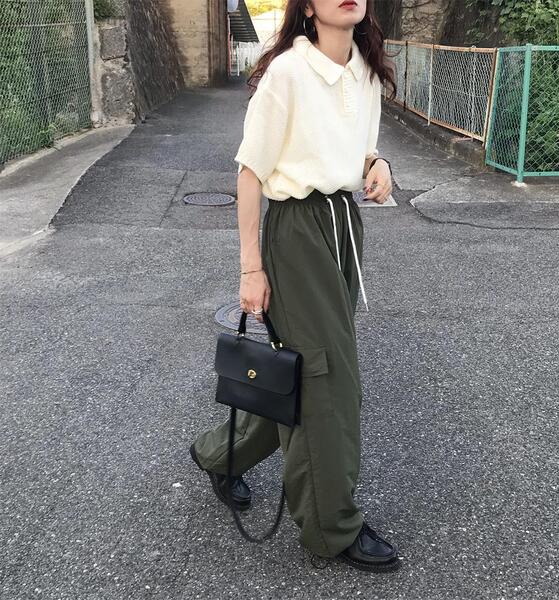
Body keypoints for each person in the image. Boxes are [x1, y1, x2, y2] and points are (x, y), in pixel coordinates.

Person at [189, 0, 399, 573]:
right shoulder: (287, 72)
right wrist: (251, 269)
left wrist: (378, 166)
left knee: (305, 371)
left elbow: (362, 150)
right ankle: (330, 526)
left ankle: (220, 455)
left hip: (342, 226)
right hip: (297, 231)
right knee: (329, 380)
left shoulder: (366, 70)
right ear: (307, 6)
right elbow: (250, 173)